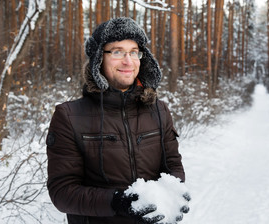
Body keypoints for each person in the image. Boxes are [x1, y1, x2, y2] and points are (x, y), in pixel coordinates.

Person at [46, 17, 189, 224]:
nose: (128, 61)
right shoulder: (69, 116)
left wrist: (172, 194)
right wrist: (116, 202)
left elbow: (173, 165)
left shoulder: (159, 110)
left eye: (133, 52)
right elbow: (63, 192)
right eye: (117, 52)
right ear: (98, 59)